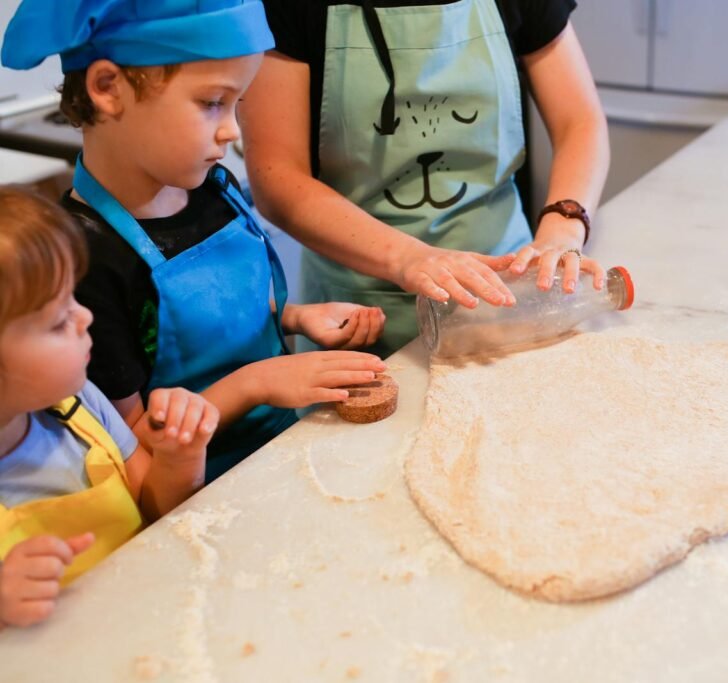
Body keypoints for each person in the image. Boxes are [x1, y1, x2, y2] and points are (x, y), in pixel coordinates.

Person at [0, 0, 388, 481]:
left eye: (236, 105)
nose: (231, 130)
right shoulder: (85, 260)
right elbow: (134, 444)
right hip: (200, 490)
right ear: (108, 88)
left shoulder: (212, 189)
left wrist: (296, 317)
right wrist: (257, 384)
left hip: (284, 449)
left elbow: (215, 309)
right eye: (211, 103)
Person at [239, 0, 610, 357]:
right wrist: (409, 258)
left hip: (508, 296)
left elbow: (579, 122)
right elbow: (277, 177)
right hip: (362, 319)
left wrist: (562, 229)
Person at [0, 188, 219, 629]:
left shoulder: (78, 405)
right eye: (59, 320)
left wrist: (179, 457)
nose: (85, 319)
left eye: (74, 300)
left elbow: (155, 511)